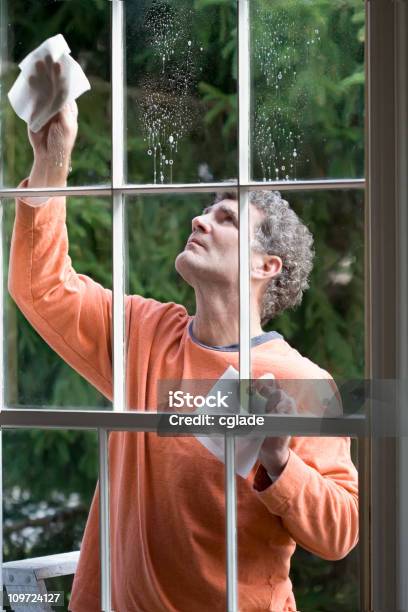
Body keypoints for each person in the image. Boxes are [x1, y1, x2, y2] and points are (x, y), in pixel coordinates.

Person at [8, 95, 358, 611]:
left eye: (226, 219)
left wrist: (280, 461)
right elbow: (40, 286)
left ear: (268, 267)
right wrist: (52, 159)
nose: (199, 221)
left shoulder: (299, 381)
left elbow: (341, 531)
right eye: (204, 211)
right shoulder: (144, 333)